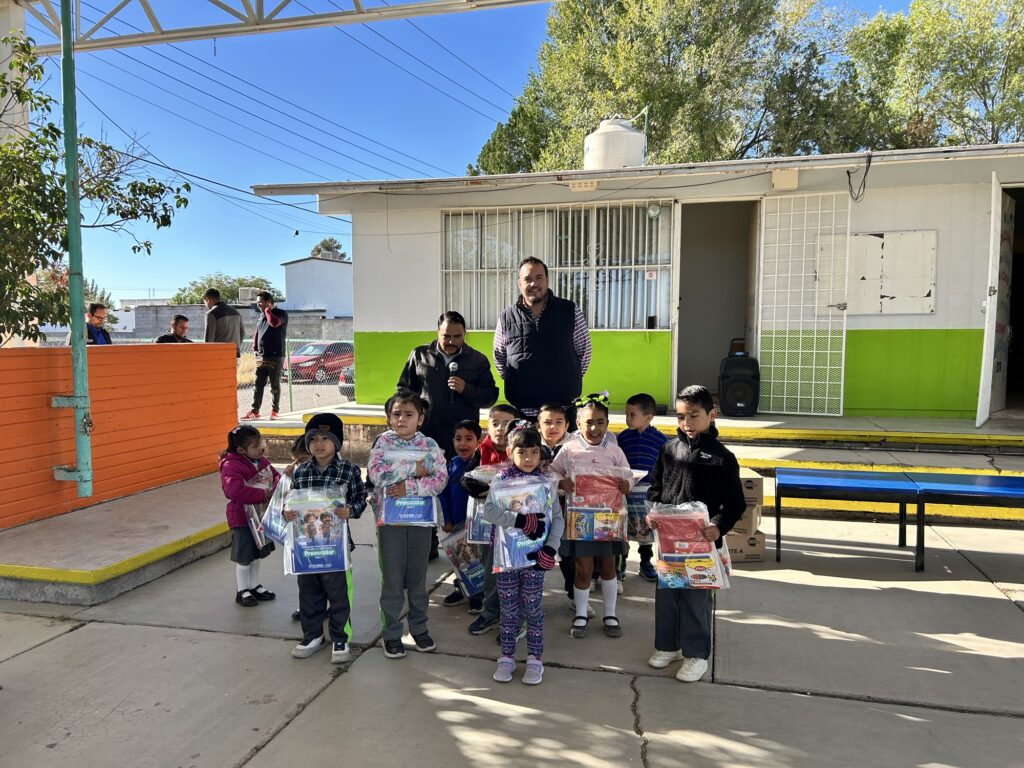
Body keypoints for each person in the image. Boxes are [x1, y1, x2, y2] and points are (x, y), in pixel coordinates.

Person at [646, 385, 745, 683]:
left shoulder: (722, 457)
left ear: (711, 415)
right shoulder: (668, 449)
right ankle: (668, 646)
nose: (686, 423)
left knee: (695, 598)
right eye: (680, 416)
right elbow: (655, 487)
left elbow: (736, 503)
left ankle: (696, 655)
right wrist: (654, 513)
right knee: (668, 594)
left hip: (702, 544)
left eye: (694, 415)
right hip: (670, 543)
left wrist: (717, 525)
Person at [367, 390, 448, 659]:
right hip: (390, 523)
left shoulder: (430, 446)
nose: (402, 419)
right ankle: (391, 634)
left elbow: (439, 480)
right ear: (389, 418)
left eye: (409, 414)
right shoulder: (382, 444)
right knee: (391, 580)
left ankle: (419, 629)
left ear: (420, 419)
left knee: (417, 578)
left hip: (420, 523)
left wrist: (408, 488)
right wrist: (414, 469)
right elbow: (378, 476)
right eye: (396, 414)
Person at [482, 422, 564, 685]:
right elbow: (490, 512)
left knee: (532, 607)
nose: (528, 458)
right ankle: (506, 657)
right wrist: (519, 521)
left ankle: (535, 659)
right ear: (509, 452)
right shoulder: (500, 482)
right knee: (508, 609)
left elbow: (557, 519)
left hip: (535, 558)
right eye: (522, 452)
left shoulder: (546, 483)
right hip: (507, 559)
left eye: (533, 452)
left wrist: (550, 548)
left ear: (540, 453)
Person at [550, 393, 634, 639]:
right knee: (583, 568)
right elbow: (553, 473)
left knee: (608, 567)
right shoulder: (569, 449)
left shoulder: (614, 450)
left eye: (600, 422)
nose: (594, 427)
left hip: (609, 520)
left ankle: (610, 613)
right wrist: (562, 482)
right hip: (581, 520)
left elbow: (628, 474)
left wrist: (626, 484)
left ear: (607, 424)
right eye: (588, 422)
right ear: (577, 424)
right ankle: (581, 613)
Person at [285, 413, 367, 664]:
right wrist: (287, 513)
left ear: (337, 442)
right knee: (309, 590)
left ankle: (340, 637)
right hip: (307, 545)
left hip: (335, 546)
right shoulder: (300, 472)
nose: (319, 443)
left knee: (338, 592)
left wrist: (349, 510)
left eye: (325, 438)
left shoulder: (349, 470)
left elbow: (361, 499)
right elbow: (292, 502)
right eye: (313, 438)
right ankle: (312, 635)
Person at [493, 258, 591, 425]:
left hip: (562, 412)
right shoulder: (506, 316)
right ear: (519, 283)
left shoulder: (569, 310)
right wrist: (518, 382)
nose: (533, 284)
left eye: (539, 277)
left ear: (547, 280)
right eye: (527, 279)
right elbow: (500, 358)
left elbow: (584, 352)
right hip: (523, 413)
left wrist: (569, 377)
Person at [397, 311, 499, 459]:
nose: (452, 342)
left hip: (462, 439)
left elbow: (490, 397)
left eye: (457, 337)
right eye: (446, 336)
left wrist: (466, 389)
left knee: (458, 480)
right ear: (438, 332)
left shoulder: (477, 360)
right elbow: (403, 391)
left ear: (465, 333)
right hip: (425, 435)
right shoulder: (419, 355)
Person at [460, 404, 520, 636]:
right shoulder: (481, 451)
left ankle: (514, 616)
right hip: (487, 526)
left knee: (514, 569)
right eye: (495, 423)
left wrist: (492, 488)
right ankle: (490, 611)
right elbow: (467, 482)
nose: (501, 428)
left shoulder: (522, 449)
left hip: (516, 525)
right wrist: (496, 492)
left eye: (507, 423)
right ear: (488, 426)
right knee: (490, 568)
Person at [218, 425, 279, 607]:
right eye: (255, 446)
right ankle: (242, 589)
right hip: (243, 519)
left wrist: (275, 488)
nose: (261, 448)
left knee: (256, 553)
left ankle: (253, 585)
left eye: (261, 442)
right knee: (244, 556)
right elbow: (233, 491)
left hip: (259, 516)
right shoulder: (231, 465)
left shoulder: (261, 460)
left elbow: (275, 477)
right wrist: (264, 495)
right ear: (241, 450)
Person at [617, 393, 668, 583]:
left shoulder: (660, 440)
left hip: (648, 494)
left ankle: (645, 563)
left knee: (646, 532)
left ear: (648, 417)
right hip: (626, 492)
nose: (627, 419)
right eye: (626, 414)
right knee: (623, 530)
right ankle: (620, 563)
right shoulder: (622, 438)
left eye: (632, 415)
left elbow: (665, 468)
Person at [439, 419, 484, 612]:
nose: (463, 444)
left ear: (478, 441)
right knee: (461, 560)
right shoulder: (451, 465)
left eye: (468, 438)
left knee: (479, 561)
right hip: (457, 524)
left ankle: (479, 595)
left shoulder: (482, 465)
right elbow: (443, 495)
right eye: (458, 439)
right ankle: (462, 588)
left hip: (478, 524)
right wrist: (447, 519)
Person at [242, 291, 288, 421]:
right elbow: (258, 331)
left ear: (268, 302)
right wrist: (255, 348)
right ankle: (255, 410)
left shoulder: (281, 313)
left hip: (275, 355)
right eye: (257, 303)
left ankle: (275, 410)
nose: (258, 305)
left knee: (274, 384)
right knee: (258, 384)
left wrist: (268, 310)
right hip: (261, 355)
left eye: (260, 302)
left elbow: (274, 323)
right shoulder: (261, 315)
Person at [284, 435, 311, 622]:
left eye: (301, 459)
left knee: (329, 577)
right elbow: (285, 500)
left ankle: (328, 606)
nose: (297, 464)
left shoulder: (333, 470)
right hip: (302, 533)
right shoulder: (296, 473)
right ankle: (306, 607)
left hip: (325, 534)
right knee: (304, 575)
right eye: (294, 460)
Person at [202, 288, 245, 359]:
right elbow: (242, 333)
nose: (205, 305)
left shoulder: (211, 314)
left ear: (207, 299)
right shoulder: (235, 312)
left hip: (219, 356)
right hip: (235, 355)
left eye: (204, 302)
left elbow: (209, 340)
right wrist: (236, 348)